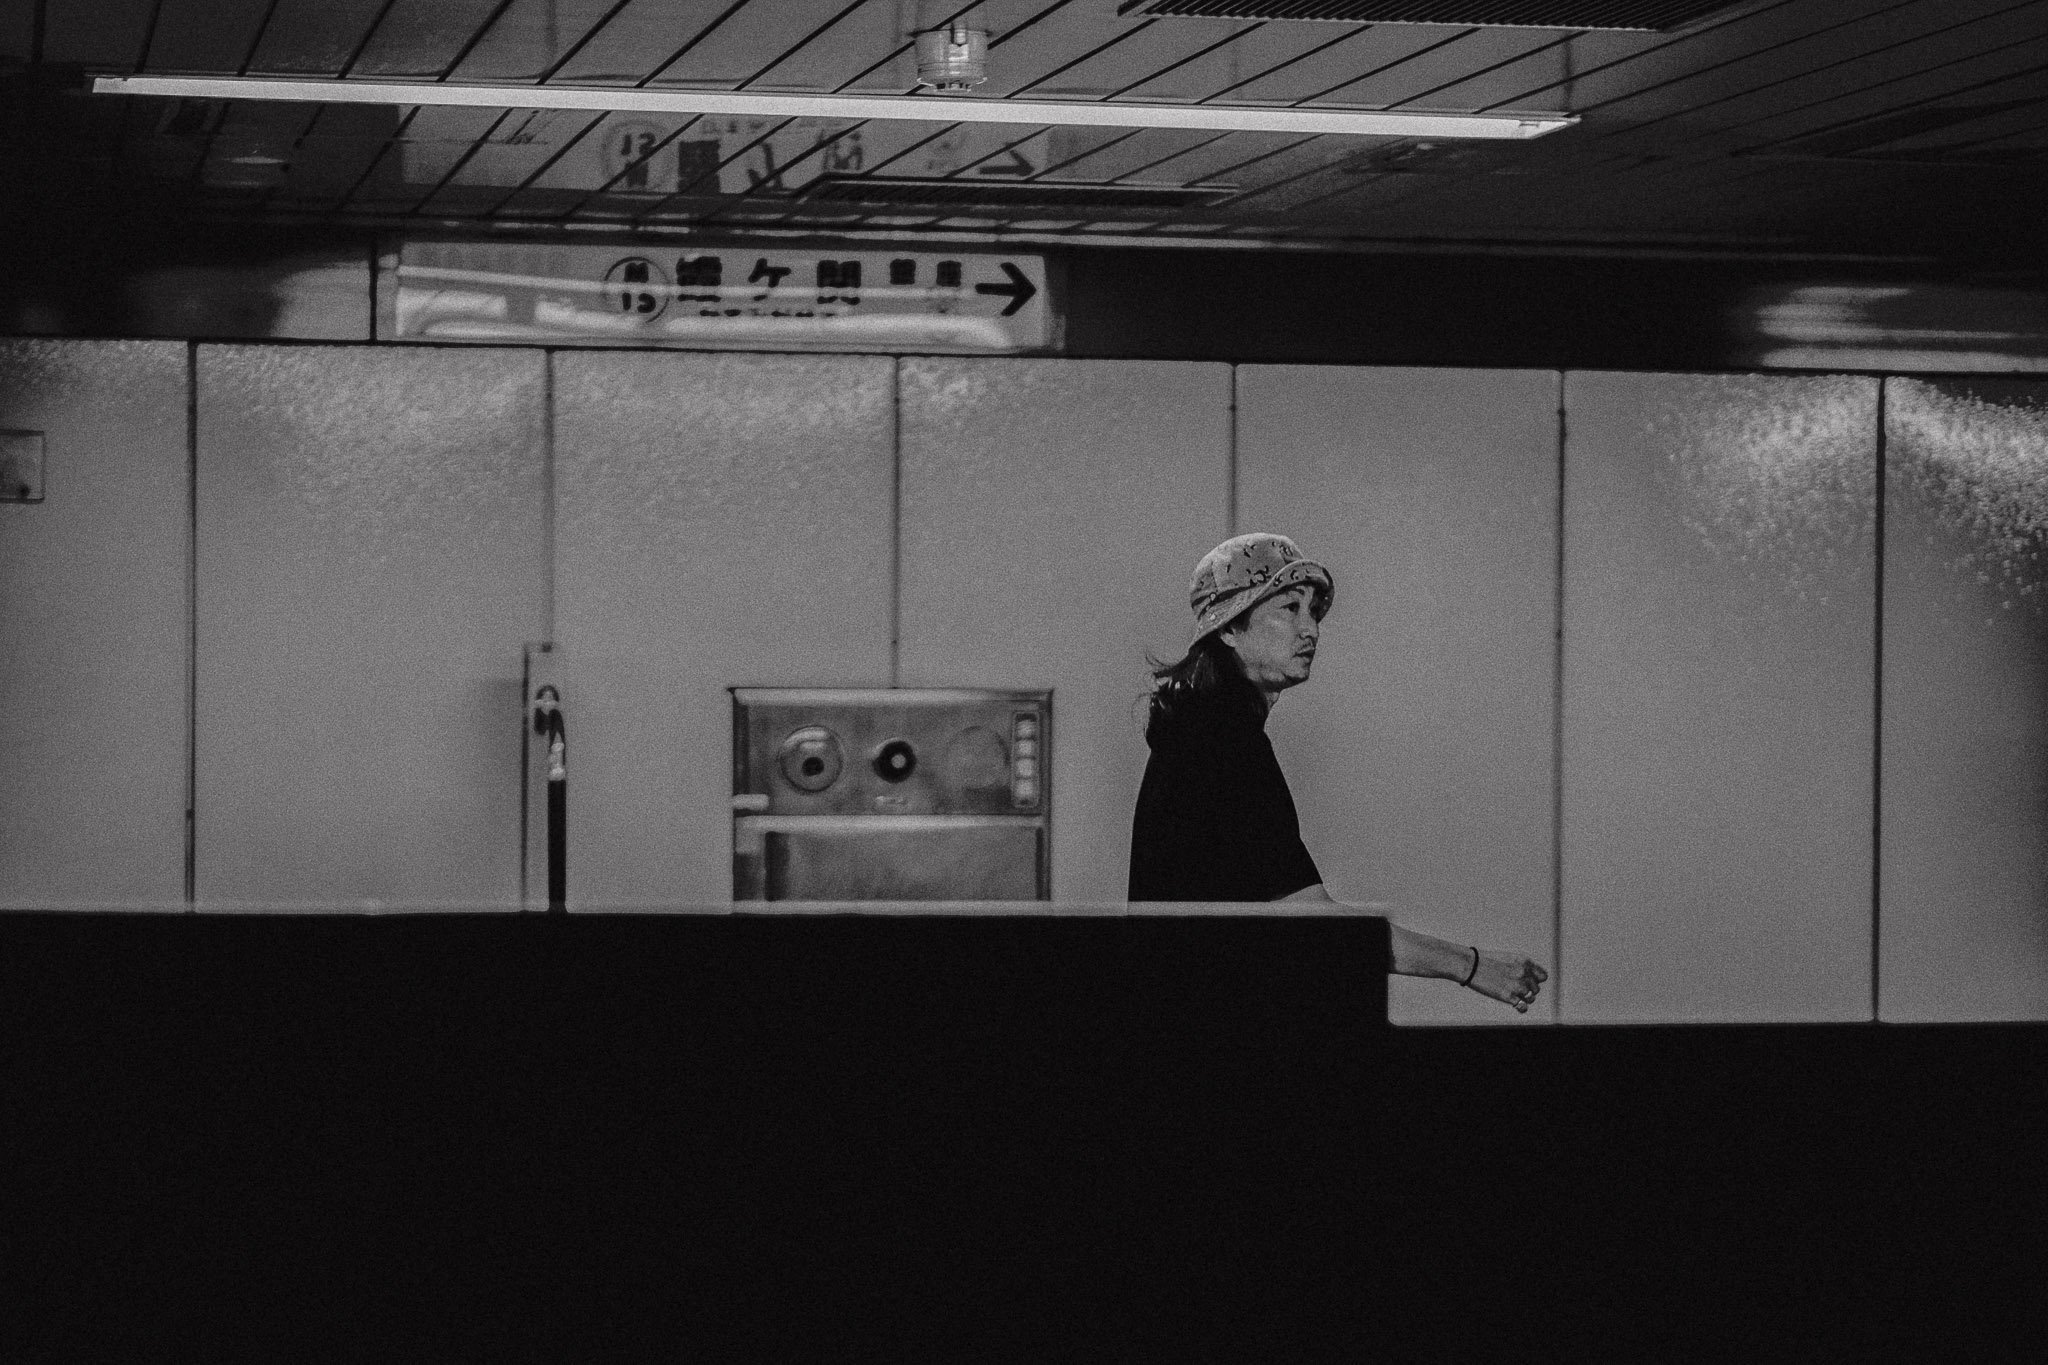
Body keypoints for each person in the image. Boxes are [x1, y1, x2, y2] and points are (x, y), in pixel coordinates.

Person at [1128, 532, 1549, 1013]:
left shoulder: (1199, 730)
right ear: (1228, 628)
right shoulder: (1223, 740)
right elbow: (1315, 924)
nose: (1311, 629)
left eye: (1314, 611)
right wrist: (1469, 965)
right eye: (1289, 609)